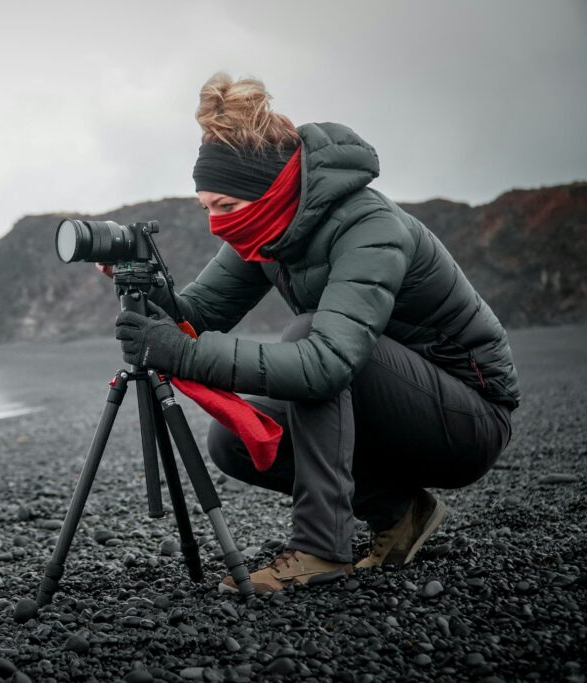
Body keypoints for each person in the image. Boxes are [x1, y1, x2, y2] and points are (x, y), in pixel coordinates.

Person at [105, 73, 519, 594]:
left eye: (225, 207)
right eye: (206, 207)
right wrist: (145, 286)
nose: (216, 223)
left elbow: (327, 363)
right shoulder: (264, 230)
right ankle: (402, 510)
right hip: (382, 402)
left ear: (270, 190)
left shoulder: (368, 225)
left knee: (309, 336)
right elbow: (198, 314)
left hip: (467, 421)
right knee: (237, 438)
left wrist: (183, 354)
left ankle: (322, 550)